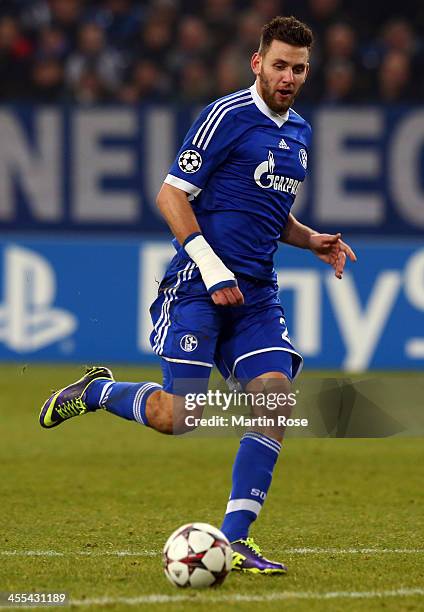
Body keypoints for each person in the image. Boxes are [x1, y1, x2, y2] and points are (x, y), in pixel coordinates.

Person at [39, 16, 356, 574]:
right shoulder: (227, 115)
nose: (289, 76)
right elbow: (170, 196)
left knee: (273, 396)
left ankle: (235, 539)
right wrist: (212, 270)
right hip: (198, 287)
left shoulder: (300, 133)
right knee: (177, 417)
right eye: (279, 64)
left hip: (256, 292)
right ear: (257, 63)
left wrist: (311, 239)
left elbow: (268, 211)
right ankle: (96, 393)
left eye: (299, 68)